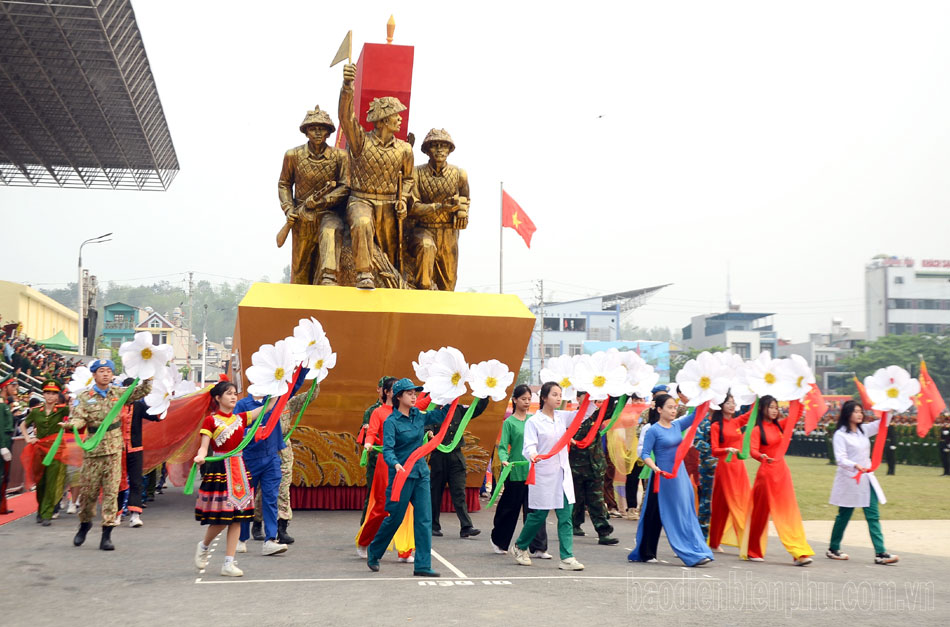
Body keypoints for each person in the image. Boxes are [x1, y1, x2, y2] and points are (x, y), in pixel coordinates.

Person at [339, 63, 414, 289]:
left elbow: (409, 179)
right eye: (395, 115)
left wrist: (403, 199)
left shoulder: (405, 149)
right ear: (382, 120)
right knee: (362, 222)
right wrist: (347, 86)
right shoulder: (361, 141)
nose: (400, 119)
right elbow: (346, 117)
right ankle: (364, 274)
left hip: (390, 204)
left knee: (391, 252)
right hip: (361, 200)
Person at [193, 379, 277, 577]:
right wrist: (201, 455)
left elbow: (268, 407)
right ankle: (204, 546)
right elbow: (205, 445)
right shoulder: (211, 420)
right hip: (220, 469)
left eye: (234, 393)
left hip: (239, 469)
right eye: (229, 393)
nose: (233, 397)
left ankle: (228, 563)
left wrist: (279, 384)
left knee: (237, 518)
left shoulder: (241, 418)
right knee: (222, 518)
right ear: (218, 398)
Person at [366, 378, 447, 577]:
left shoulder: (419, 416)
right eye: (410, 393)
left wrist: (453, 397)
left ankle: (422, 565)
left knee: (424, 519)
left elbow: (442, 415)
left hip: (420, 474)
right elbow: (388, 449)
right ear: (398, 396)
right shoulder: (391, 421)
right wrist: (395, 463)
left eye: (415, 393)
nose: (414, 396)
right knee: (395, 518)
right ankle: (374, 551)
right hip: (401, 476)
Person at [67, 359, 151, 551]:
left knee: (112, 493)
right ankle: (85, 524)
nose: (105, 374)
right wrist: (72, 425)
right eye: (101, 371)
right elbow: (78, 417)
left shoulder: (118, 393)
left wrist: (148, 376)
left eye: (108, 371)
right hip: (93, 451)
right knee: (89, 494)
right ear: (94, 375)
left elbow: (141, 392)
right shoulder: (85, 396)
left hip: (114, 451)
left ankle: (107, 534)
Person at [627, 393, 713, 567]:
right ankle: (646, 552)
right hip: (661, 477)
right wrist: (655, 468)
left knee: (684, 512)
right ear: (659, 409)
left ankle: (695, 551)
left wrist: (704, 393)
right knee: (654, 515)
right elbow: (644, 454)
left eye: (675, 407)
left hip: (679, 476)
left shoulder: (677, 425)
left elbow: (697, 414)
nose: (673, 410)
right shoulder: (653, 430)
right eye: (669, 407)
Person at [510, 382, 588, 571]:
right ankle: (520, 547)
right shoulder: (534, 422)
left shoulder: (562, 418)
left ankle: (567, 557)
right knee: (539, 515)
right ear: (544, 397)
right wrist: (533, 455)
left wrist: (592, 397)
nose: (559, 398)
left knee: (565, 515)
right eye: (554, 394)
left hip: (562, 474)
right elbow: (528, 446)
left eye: (560, 394)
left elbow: (583, 415)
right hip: (543, 473)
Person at [277, 105, 350, 285]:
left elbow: (345, 186)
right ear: (306, 131)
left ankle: (328, 277)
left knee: (330, 232)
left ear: (328, 132)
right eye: (313, 128)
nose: (317, 133)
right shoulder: (292, 155)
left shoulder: (340, 156)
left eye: (322, 129)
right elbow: (284, 184)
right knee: (301, 268)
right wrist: (289, 209)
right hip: (302, 216)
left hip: (329, 213)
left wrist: (322, 201)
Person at [356, 377, 425, 561]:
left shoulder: (411, 413)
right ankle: (365, 541)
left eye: (411, 392)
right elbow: (371, 433)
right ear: (388, 393)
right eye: (401, 390)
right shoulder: (378, 413)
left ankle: (405, 550)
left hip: (407, 463)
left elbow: (426, 402)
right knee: (382, 506)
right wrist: (368, 444)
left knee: (409, 507)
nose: (410, 395)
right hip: (386, 463)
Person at [236, 372, 306, 556]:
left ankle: (270, 540)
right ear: (251, 381)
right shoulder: (243, 405)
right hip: (249, 458)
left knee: (270, 498)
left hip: (272, 458)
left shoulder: (275, 401)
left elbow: (293, 387)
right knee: (245, 499)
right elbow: (235, 428)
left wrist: (303, 367)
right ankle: (241, 537)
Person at [740, 396, 814, 565]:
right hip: (766, 475)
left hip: (782, 474)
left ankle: (799, 552)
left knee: (788, 513)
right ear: (762, 409)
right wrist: (761, 456)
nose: (774, 410)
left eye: (776, 407)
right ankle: (753, 550)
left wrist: (798, 396)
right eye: (771, 407)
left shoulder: (780, 425)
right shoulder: (758, 430)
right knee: (760, 514)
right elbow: (753, 450)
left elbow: (796, 414)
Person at [826, 401, 899, 565]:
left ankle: (880, 552)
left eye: (861, 411)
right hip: (849, 479)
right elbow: (840, 458)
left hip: (866, 478)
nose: (859, 414)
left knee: (873, 515)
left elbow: (882, 424)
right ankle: (833, 548)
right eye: (856, 412)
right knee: (844, 515)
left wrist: (890, 407)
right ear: (847, 414)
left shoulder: (863, 430)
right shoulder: (840, 435)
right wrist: (854, 465)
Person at [489, 384, 549, 557]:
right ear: (515, 400)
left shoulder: (534, 420)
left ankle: (538, 547)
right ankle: (499, 541)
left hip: (533, 471)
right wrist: (505, 459)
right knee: (510, 510)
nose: (527, 402)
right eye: (523, 399)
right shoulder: (509, 423)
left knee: (535, 510)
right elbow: (502, 447)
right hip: (515, 472)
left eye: (529, 399)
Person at [408, 128, 470, 290]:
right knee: (427, 247)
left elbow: (465, 200)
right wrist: (440, 207)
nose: (439, 150)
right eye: (434, 145)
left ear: (450, 150)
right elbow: (413, 207)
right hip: (423, 230)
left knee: (448, 283)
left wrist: (462, 214)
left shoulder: (459, 174)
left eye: (444, 146)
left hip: (448, 233)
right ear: (427, 150)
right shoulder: (417, 173)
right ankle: (423, 295)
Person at [429, 395, 488, 538]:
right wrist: (428, 431)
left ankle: (466, 526)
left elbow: (477, 409)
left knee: (459, 492)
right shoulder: (433, 410)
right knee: (435, 492)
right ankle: (433, 525)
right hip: (438, 455)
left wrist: (485, 394)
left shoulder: (459, 409)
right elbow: (426, 424)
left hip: (456, 456)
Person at [569, 393, 619, 545]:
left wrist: (614, 393)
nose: (589, 398)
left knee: (596, 500)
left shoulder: (596, 415)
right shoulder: (570, 418)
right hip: (576, 466)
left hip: (594, 466)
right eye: (585, 395)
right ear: (578, 398)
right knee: (576, 499)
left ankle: (603, 532)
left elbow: (610, 409)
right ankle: (574, 524)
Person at [20, 380, 70, 525]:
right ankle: (40, 509)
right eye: (47, 393)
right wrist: (28, 438)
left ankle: (47, 513)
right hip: (40, 449)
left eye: (54, 394)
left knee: (52, 481)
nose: (50, 396)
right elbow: (23, 424)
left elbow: (75, 411)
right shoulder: (36, 411)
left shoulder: (62, 409)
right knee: (40, 481)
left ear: (57, 396)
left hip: (56, 449)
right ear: (43, 395)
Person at [707, 393, 751, 551]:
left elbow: (752, 414)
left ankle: (745, 540)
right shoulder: (716, 426)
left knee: (743, 501)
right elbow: (714, 450)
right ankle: (716, 541)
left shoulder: (737, 422)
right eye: (728, 403)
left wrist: (758, 397)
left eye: (733, 402)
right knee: (722, 504)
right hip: (725, 467)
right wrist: (727, 449)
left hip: (739, 467)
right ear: (721, 406)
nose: (732, 405)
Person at [121, 394, 161, 528]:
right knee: (116, 482)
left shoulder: (138, 406)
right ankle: (116, 513)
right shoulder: (114, 406)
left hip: (135, 449)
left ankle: (135, 515)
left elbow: (154, 416)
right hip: (116, 449)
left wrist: (163, 403)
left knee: (136, 481)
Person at [358, 376, 390, 524]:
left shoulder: (398, 410)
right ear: (379, 390)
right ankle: (366, 526)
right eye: (382, 387)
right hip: (376, 459)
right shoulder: (372, 411)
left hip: (392, 458)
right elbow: (365, 434)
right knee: (373, 494)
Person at [0, 375, 15, 515]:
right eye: (12, 386)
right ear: (5, 387)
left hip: (7, 442)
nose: (15, 389)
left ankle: (2, 506)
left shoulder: (4, 404)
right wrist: (2, 446)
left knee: (4, 476)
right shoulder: (1, 405)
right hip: (2, 443)